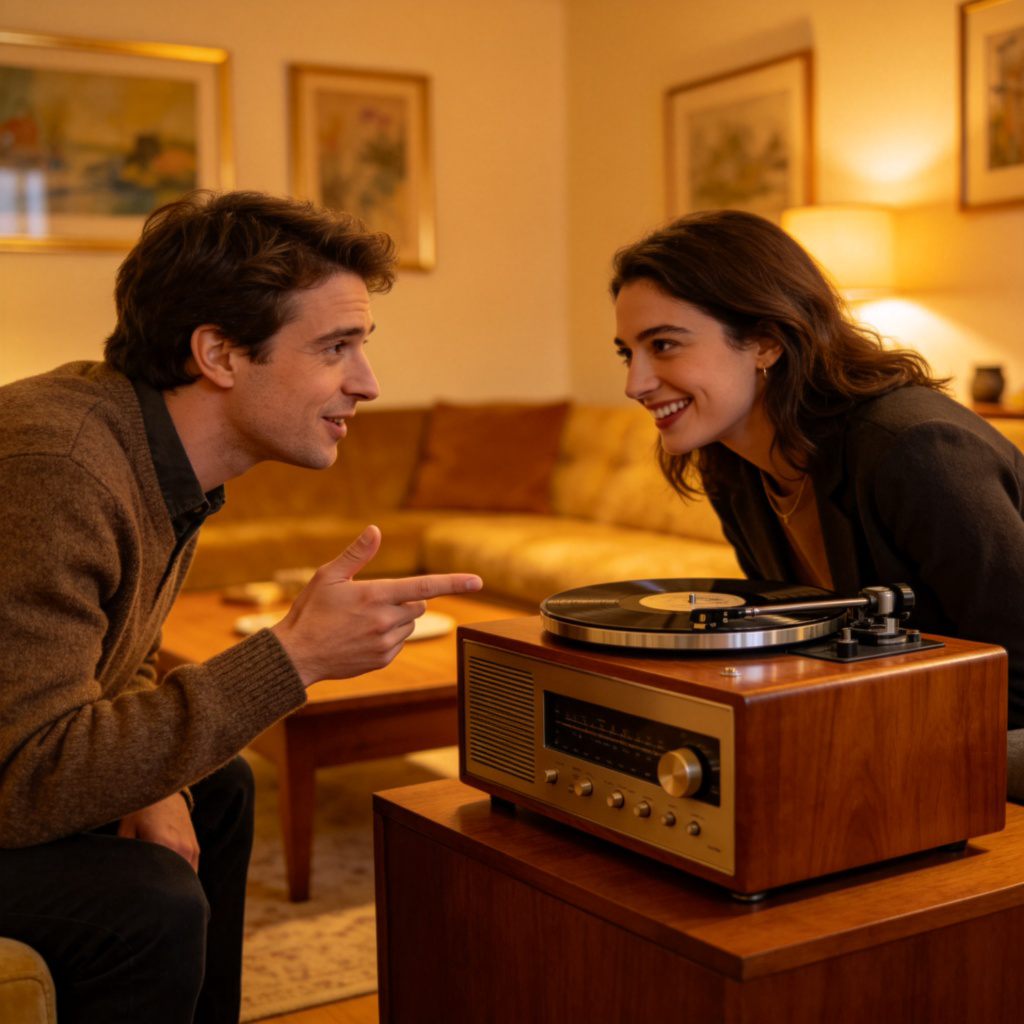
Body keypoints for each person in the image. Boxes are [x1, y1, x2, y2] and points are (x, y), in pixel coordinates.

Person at [0, 190, 482, 1023]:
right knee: (148, 903)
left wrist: (151, 776)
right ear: (218, 353)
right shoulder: (63, 469)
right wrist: (290, 656)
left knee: (214, 787)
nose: (366, 384)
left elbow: (113, 655)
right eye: (336, 347)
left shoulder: (146, 446)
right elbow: (24, 781)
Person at [609, 209, 1024, 795]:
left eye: (665, 345)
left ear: (765, 342)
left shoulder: (916, 447)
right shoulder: (734, 463)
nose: (635, 383)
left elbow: (1022, 670)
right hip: (891, 722)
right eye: (628, 353)